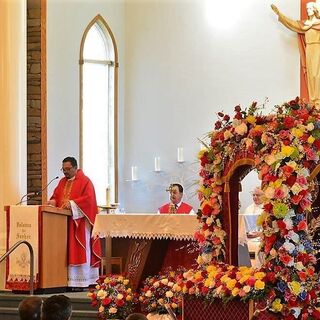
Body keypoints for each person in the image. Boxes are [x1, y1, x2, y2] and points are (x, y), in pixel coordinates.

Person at [47, 156, 101, 288]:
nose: (65, 172)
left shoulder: (85, 181)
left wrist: (72, 204)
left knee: (81, 249)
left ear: (76, 168)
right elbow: (56, 196)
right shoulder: (61, 182)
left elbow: (89, 200)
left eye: (68, 169)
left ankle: (84, 280)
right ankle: (69, 281)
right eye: (63, 169)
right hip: (64, 222)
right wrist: (53, 201)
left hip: (80, 223)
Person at [271, 2, 320, 104]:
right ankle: (313, 101)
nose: (308, 10)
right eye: (307, 8)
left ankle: (318, 101)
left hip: (318, 49)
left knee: (317, 75)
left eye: (310, 8)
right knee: (311, 75)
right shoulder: (304, 24)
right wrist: (279, 14)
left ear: (315, 9)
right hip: (309, 49)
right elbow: (292, 24)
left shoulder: (319, 24)